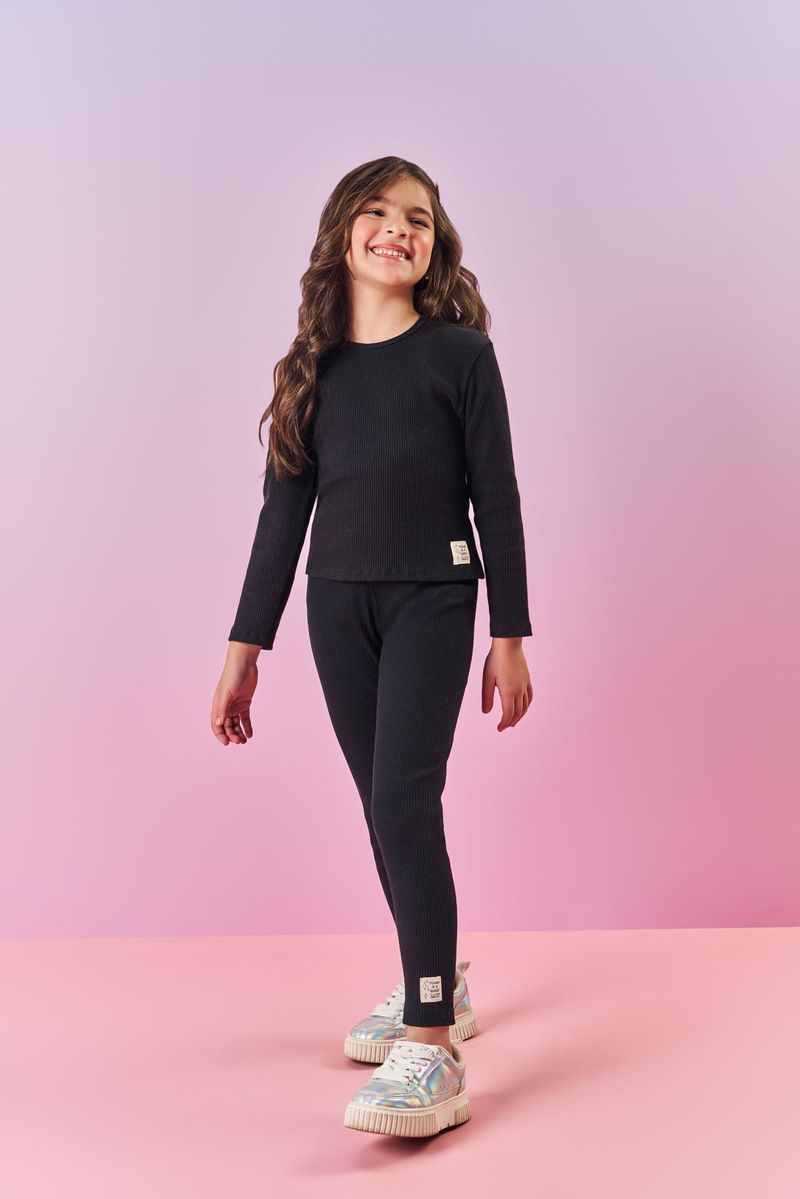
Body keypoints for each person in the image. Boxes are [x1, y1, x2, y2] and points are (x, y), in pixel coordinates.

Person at [210, 156, 534, 1138]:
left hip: (434, 597)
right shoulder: (312, 369)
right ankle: (433, 977)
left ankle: (431, 1042)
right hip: (334, 607)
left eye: (419, 218)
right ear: (342, 232)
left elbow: (497, 495)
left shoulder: (460, 356)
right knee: (380, 807)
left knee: (402, 798)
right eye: (380, 211)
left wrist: (509, 631)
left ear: (435, 246)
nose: (399, 228)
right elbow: (282, 516)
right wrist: (244, 645)